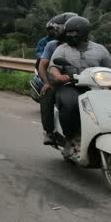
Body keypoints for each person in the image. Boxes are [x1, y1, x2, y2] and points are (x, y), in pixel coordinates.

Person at [49, 16, 111, 141]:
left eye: (72, 33)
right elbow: (53, 67)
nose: (69, 35)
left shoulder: (100, 49)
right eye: (68, 33)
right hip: (72, 86)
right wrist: (59, 76)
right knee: (69, 105)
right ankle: (70, 138)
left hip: (98, 87)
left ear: (82, 33)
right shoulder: (62, 49)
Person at [37, 12, 78, 145]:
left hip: (82, 81)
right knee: (47, 95)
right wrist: (46, 83)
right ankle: (49, 132)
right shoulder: (53, 45)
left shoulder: (90, 46)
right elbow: (42, 65)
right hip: (58, 82)